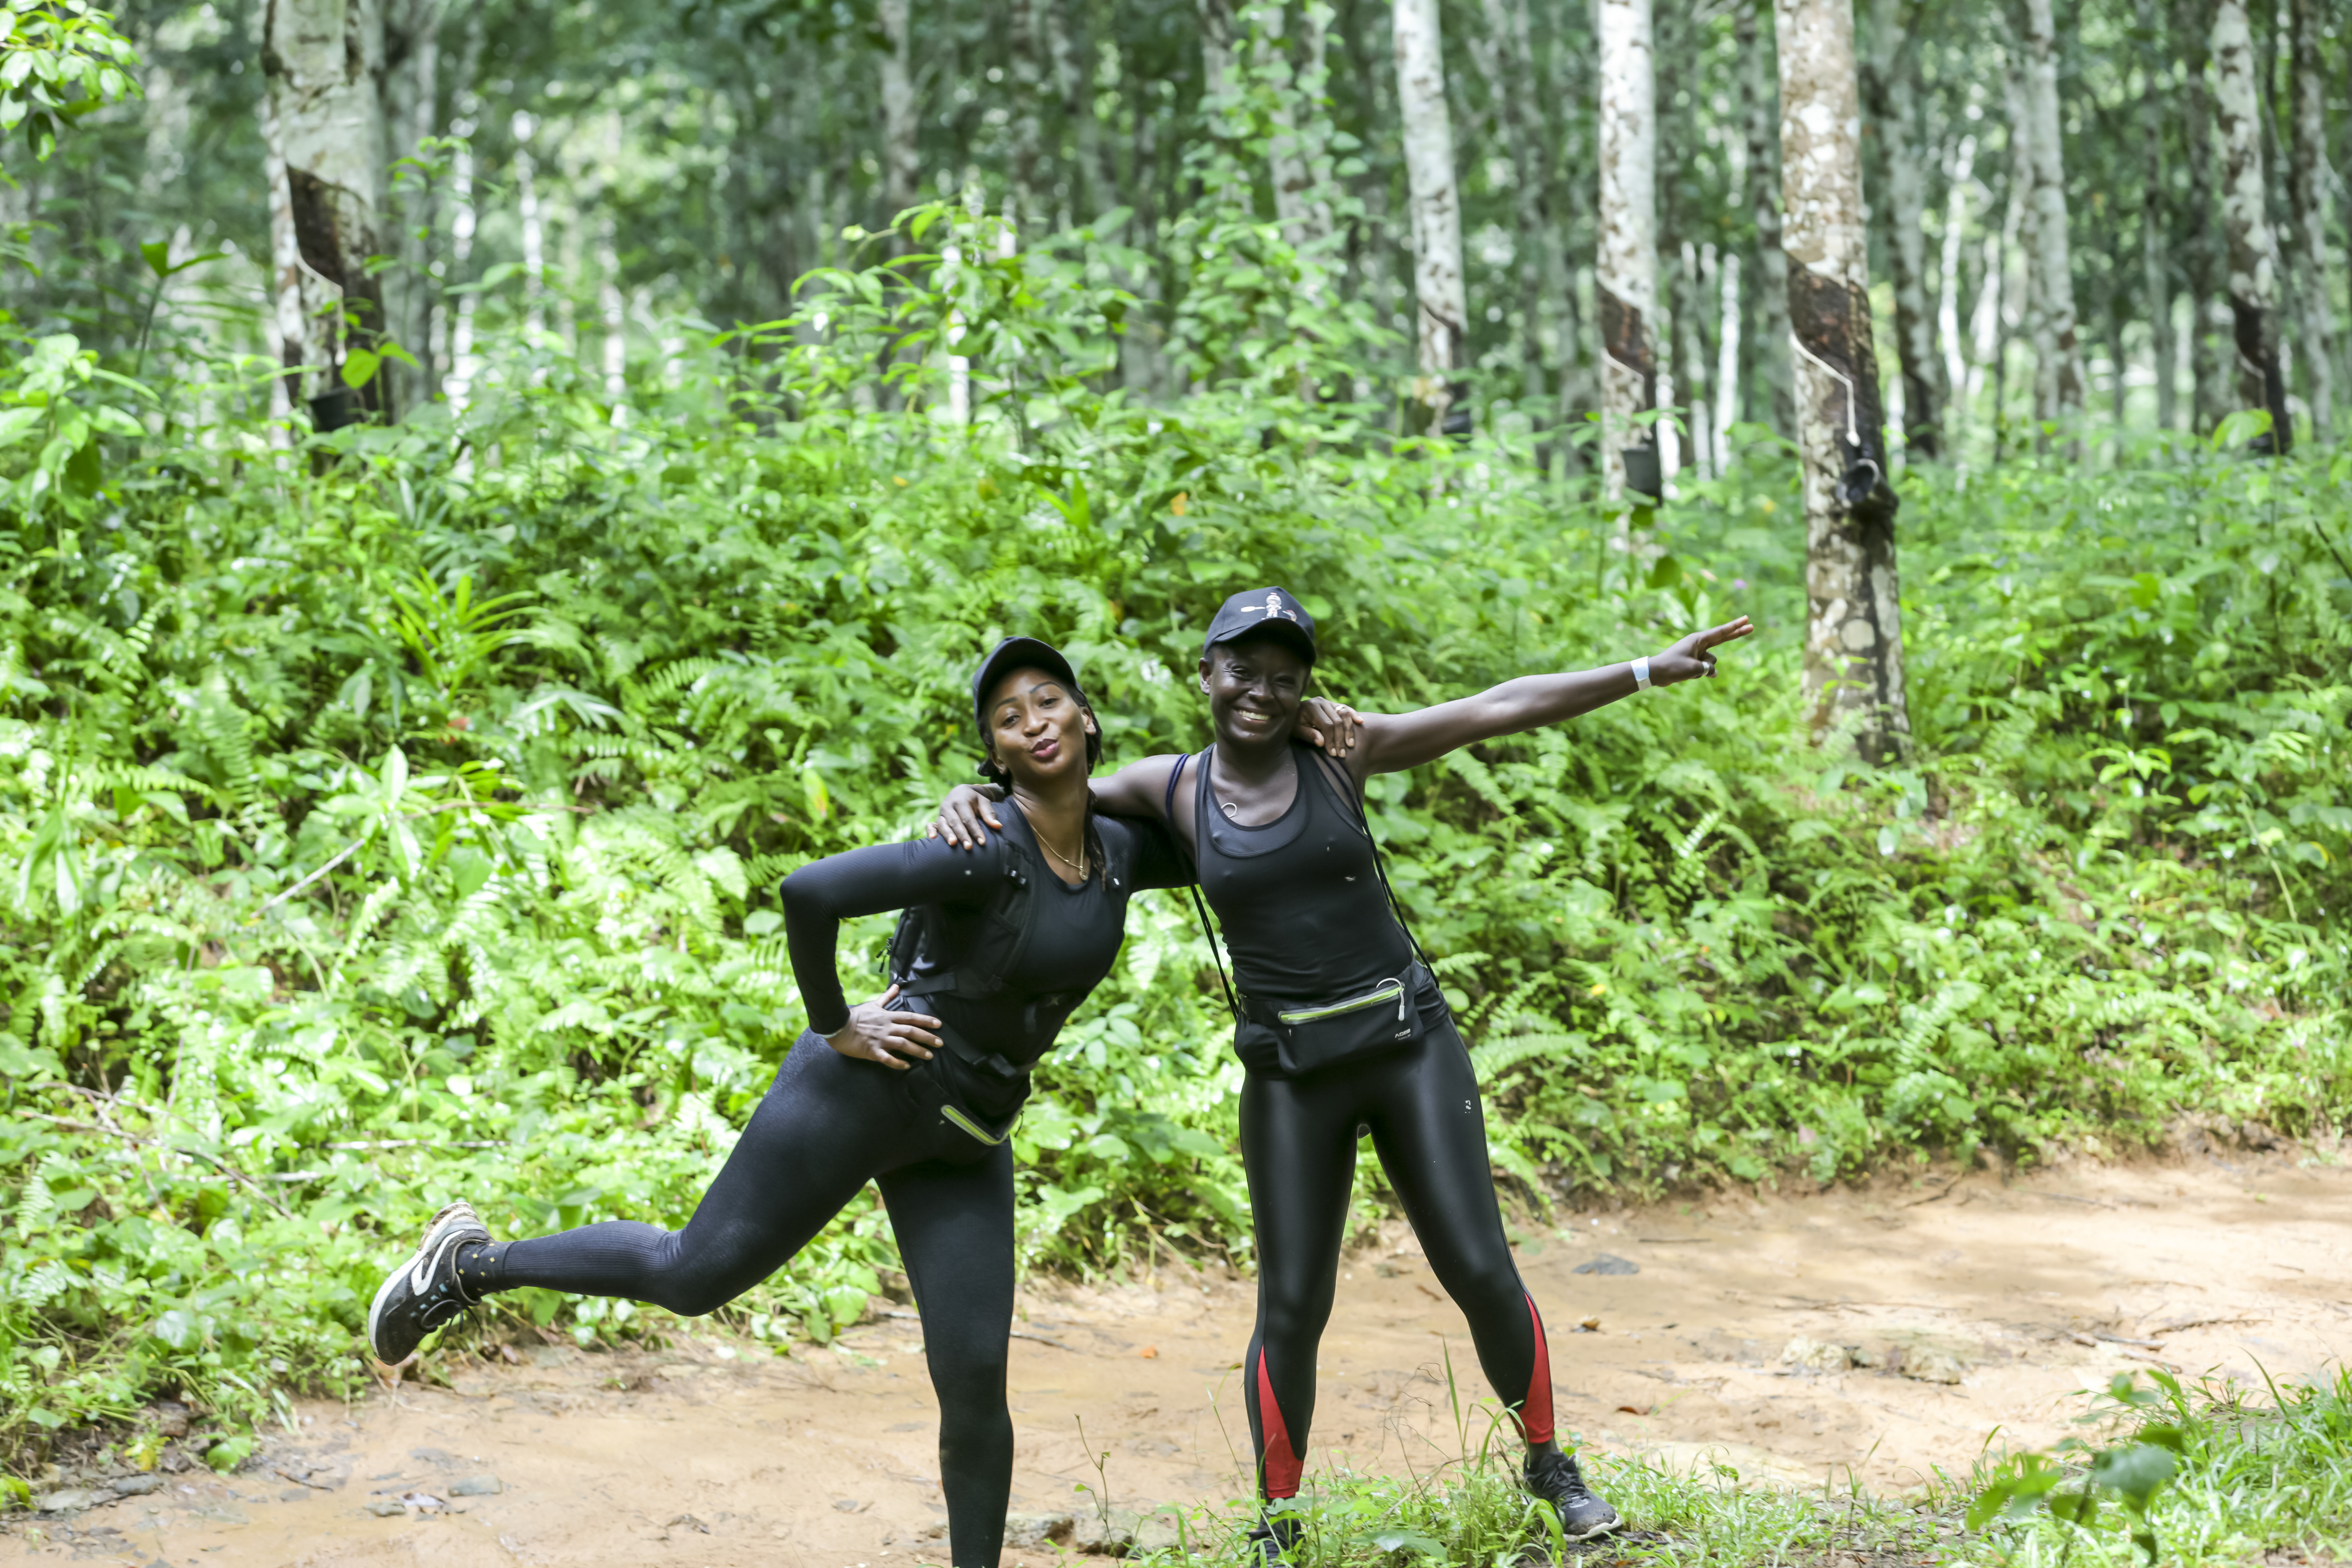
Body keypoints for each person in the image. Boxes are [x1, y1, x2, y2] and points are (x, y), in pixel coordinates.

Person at [362, 638, 1359, 1568]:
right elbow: (809, 892)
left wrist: (1297, 730)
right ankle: (469, 1266)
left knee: (974, 1383)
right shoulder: (978, 848)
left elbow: (1241, 818)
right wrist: (838, 1022)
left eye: (1049, 700)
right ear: (996, 754)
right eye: (1009, 717)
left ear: (1089, 720)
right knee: (693, 1273)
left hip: (969, 1138)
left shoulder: (1121, 851)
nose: (1035, 720)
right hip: (866, 1090)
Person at [931, 587, 1753, 1561]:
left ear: (1306, 691)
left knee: (1480, 1266)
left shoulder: (1343, 751)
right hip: (1292, 1074)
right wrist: (970, 795)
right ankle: (1280, 1518)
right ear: (1207, 674)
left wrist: (1647, 668)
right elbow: (1047, 787)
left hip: (1408, 1046)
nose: (1261, 692)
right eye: (1242, 670)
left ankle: (1550, 1469)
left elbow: (1499, 706)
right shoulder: (1171, 788)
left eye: (1285, 679)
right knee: (1291, 1306)